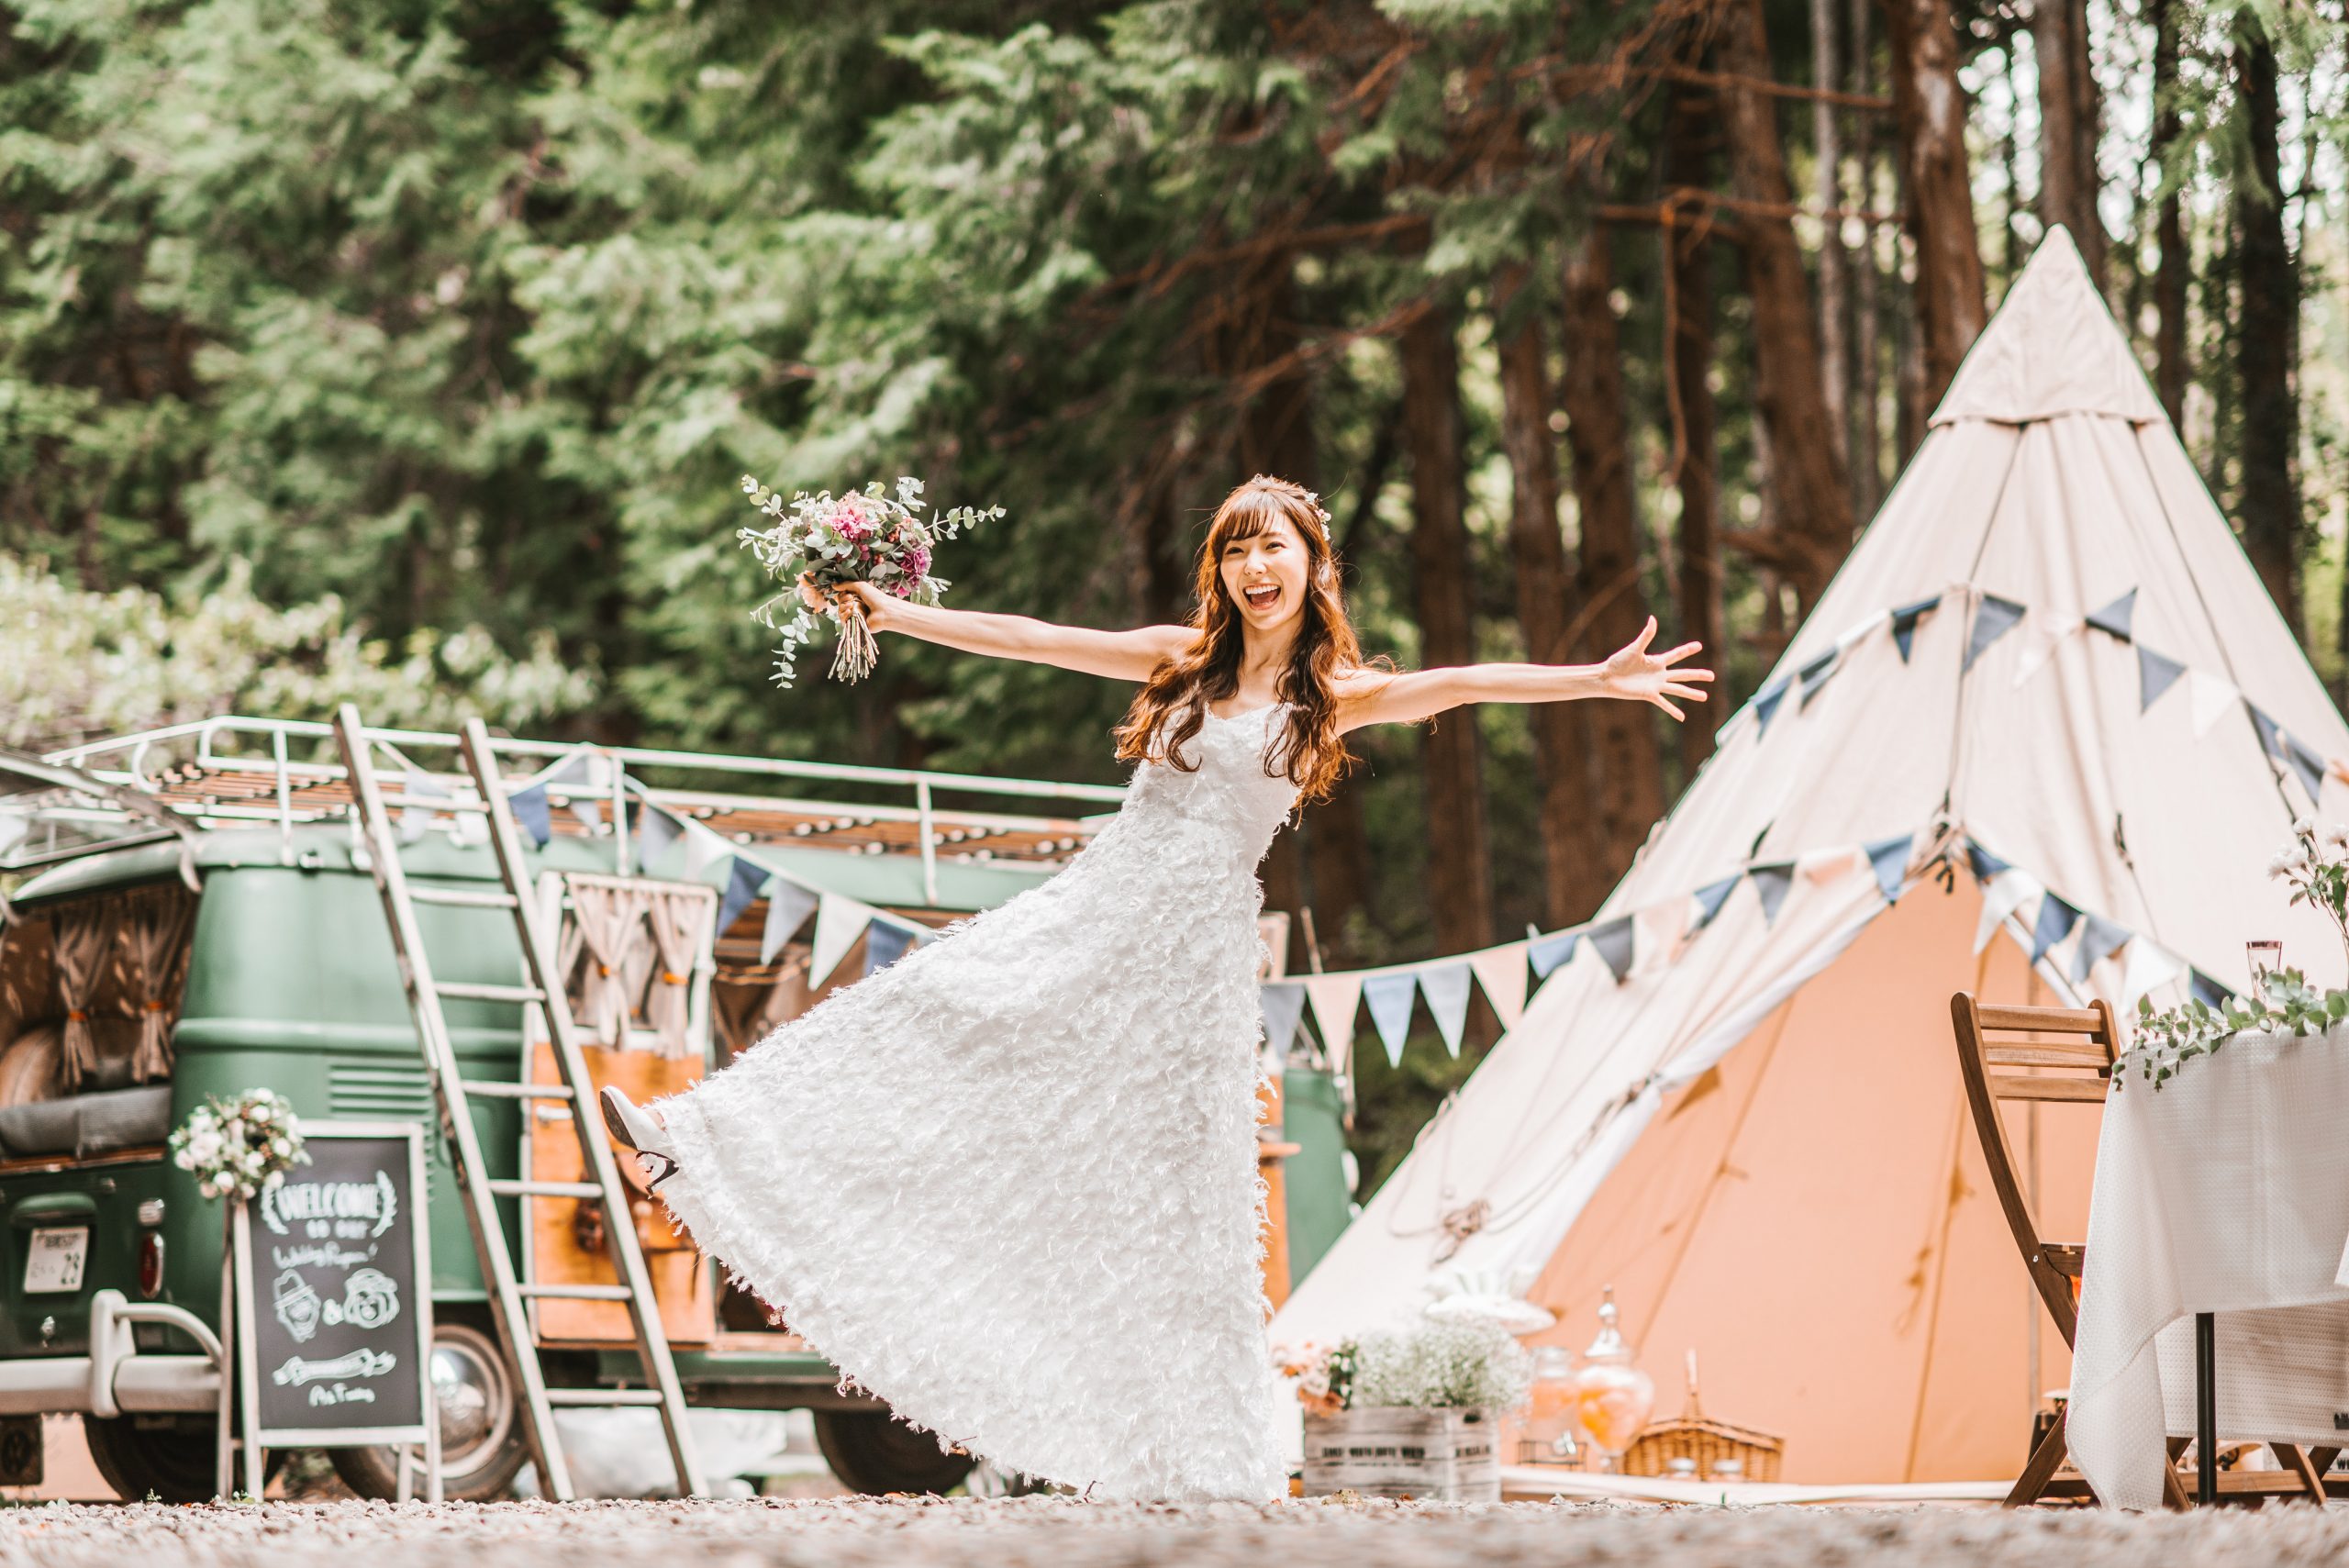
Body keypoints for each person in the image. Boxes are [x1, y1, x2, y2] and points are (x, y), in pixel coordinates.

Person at [600, 473, 1711, 1500]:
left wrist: (1598, 679)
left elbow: (1464, 681)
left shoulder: (1335, 693)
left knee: (1179, 1202)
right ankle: (700, 1139)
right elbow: (1033, 639)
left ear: (1312, 563)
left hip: (1192, 958)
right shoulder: (1181, 660)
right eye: (1234, 551)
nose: (1250, 567)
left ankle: (1201, 1451)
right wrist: (899, 614)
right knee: (928, 1004)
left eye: (1270, 546)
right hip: (1098, 906)